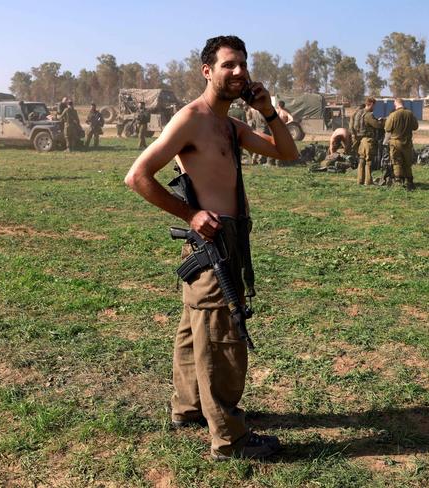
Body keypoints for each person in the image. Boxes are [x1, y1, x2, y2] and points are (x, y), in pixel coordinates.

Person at [124, 35, 298, 461]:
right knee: (221, 338)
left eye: (242, 64)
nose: (238, 72)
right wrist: (190, 215)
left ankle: (188, 409)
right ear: (207, 70)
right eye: (228, 65)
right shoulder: (191, 119)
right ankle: (230, 439)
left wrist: (269, 112)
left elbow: (287, 152)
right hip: (211, 242)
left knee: (193, 329)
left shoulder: (230, 125)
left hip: (228, 241)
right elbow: (138, 176)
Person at [384, 98, 419, 190]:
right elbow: (415, 127)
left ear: (396, 104)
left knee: (397, 162)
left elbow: (387, 128)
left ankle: (398, 181)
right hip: (407, 143)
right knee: (407, 163)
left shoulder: (393, 115)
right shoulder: (410, 114)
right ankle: (410, 182)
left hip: (396, 142)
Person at [357, 97, 384, 186]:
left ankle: (360, 180)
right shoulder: (369, 115)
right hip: (368, 140)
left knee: (361, 160)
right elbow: (377, 125)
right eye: (374, 105)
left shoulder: (361, 114)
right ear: (371, 104)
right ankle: (368, 181)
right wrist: (382, 121)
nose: (374, 108)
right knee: (369, 161)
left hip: (362, 140)